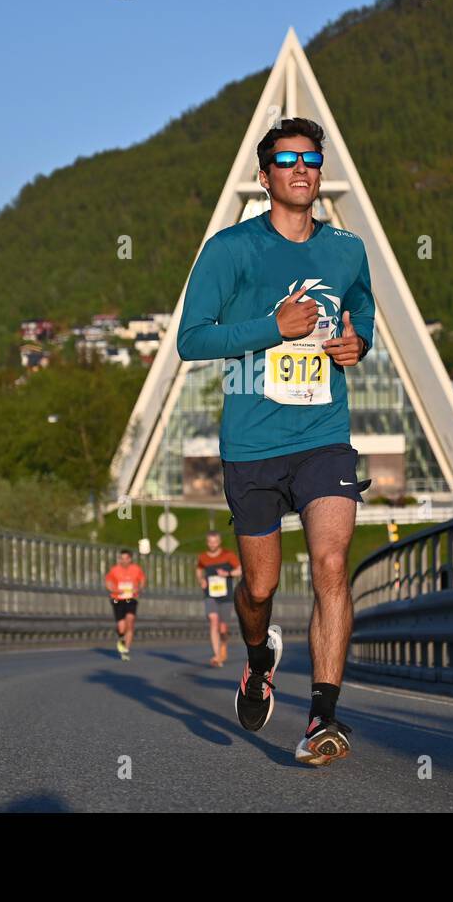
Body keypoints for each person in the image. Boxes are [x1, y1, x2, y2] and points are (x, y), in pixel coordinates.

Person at [177, 117, 375, 766]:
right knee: (258, 589)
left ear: (320, 172)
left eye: (311, 159)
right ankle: (260, 657)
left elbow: (363, 311)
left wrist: (358, 342)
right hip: (252, 442)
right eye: (286, 159)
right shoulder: (229, 249)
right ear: (264, 177)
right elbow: (193, 339)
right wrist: (273, 326)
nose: (300, 168)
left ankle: (321, 717)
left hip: (324, 434)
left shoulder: (346, 249)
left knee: (330, 566)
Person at [196, 530, 241, 667]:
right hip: (210, 594)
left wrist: (227, 573)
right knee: (213, 620)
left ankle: (223, 645)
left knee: (223, 628)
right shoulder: (203, 557)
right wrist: (201, 580)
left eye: (215, 542)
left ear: (219, 542)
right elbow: (198, 569)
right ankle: (216, 655)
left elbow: (240, 570)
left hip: (226, 595)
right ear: (207, 542)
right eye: (210, 542)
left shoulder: (228, 555)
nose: (213, 545)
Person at [104, 548, 146, 661]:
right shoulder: (114, 570)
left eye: (126, 558)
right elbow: (108, 582)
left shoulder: (136, 569)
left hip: (131, 599)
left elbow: (142, 581)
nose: (124, 561)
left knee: (130, 620)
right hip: (118, 599)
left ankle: (126, 650)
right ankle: (121, 637)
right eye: (121, 558)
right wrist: (114, 590)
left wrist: (139, 588)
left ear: (130, 559)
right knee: (121, 626)